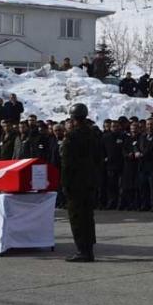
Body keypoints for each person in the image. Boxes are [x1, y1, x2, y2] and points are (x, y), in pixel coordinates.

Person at [61, 103, 98, 262]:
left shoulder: (72, 136)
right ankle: (88, 248)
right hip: (90, 181)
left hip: (76, 183)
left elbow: (67, 163)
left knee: (77, 217)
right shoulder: (94, 134)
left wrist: (65, 184)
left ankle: (83, 250)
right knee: (88, 216)